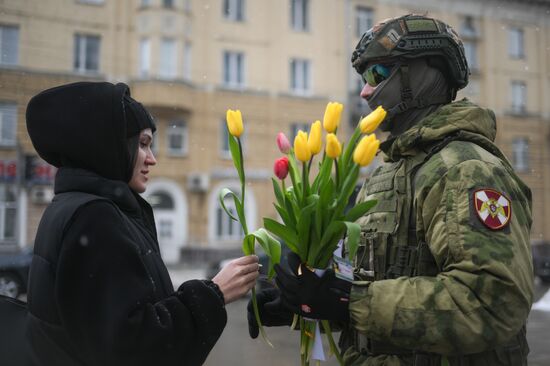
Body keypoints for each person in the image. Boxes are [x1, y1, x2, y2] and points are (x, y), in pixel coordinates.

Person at [249, 14, 534, 366]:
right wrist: (302, 304)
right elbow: (382, 292)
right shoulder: (388, 173)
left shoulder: (465, 168)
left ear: (420, 74)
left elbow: (492, 304)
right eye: (362, 78)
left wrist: (347, 299)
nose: (365, 90)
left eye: (377, 74)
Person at [19, 81, 259, 366]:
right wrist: (214, 293)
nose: (153, 159)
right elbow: (133, 346)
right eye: (143, 144)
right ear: (108, 146)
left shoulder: (75, 207)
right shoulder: (94, 218)